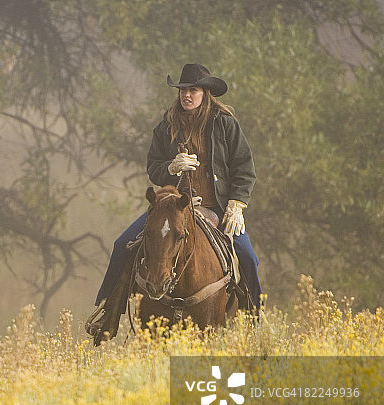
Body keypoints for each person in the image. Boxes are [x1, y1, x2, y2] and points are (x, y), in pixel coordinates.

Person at [87, 63, 261, 337]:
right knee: (123, 245)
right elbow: (153, 166)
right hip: (173, 206)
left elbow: (244, 167)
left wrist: (237, 203)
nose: (186, 95)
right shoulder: (166, 126)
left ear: (205, 93)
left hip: (216, 208)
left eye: (193, 90)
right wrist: (170, 167)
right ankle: (107, 315)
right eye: (183, 90)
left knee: (248, 258)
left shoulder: (225, 124)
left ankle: (254, 323)